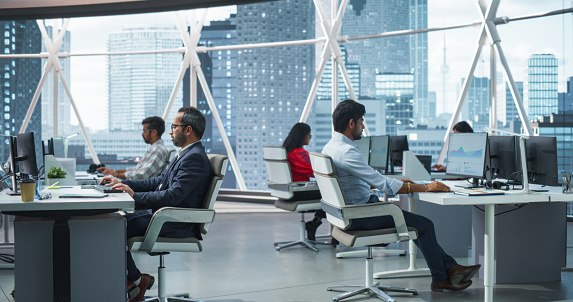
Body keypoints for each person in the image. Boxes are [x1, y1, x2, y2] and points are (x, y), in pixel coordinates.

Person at [322, 99, 480, 292]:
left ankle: (450, 269)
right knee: (424, 225)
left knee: (415, 223)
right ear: (351, 123)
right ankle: (442, 277)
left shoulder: (330, 147)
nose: (363, 126)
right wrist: (425, 188)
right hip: (360, 216)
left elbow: (365, 179)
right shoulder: (346, 152)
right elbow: (383, 184)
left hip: (346, 213)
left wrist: (404, 184)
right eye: (362, 121)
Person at [100, 107, 213, 302]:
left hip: (174, 222)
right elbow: (157, 182)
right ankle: (135, 280)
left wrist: (134, 196)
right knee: (115, 220)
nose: (170, 131)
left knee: (114, 226)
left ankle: (134, 281)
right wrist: (123, 183)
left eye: (174, 127)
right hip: (164, 217)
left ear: (188, 130)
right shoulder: (186, 154)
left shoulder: (193, 157)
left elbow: (173, 196)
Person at [282, 122, 325, 241]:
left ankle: (315, 223)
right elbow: (314, 171)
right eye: (309, 135)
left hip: (290, 192)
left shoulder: (287, 152)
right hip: (300, 192)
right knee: (334, 194)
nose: (310, 138)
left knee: (328, 194)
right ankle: (318, 223)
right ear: (303, 136)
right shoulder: (299, 153)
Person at [97, 116, 169, 179]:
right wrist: (113, 171)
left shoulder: (158, 150)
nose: (142, 134)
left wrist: (116, 175)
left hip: (141, 189)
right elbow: (137, 169)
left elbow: (142, 175)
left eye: (144, 131)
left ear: (154, 133)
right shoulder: (154, 148)